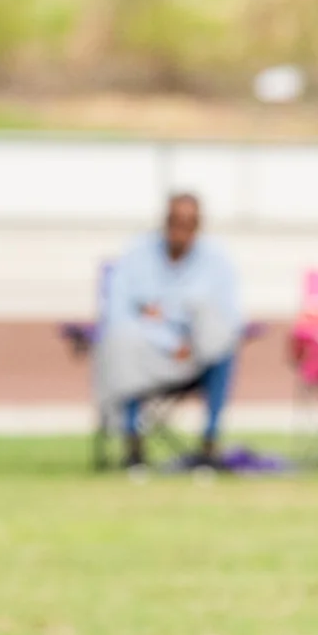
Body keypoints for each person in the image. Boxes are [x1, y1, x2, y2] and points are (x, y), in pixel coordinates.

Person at [98, 192, 244, 471]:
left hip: (197, 355)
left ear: (199, 226)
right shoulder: (136, 254)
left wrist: (186, 335)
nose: (181, 230)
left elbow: (229, 317)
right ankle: (133, 444)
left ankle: (209, 443)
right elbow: (117, 311)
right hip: (146, 351)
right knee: (123, 342)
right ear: (164, 222)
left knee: (222, 342)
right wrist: (166, 339)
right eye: (176, 221)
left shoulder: (217, 260)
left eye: (189, 223)